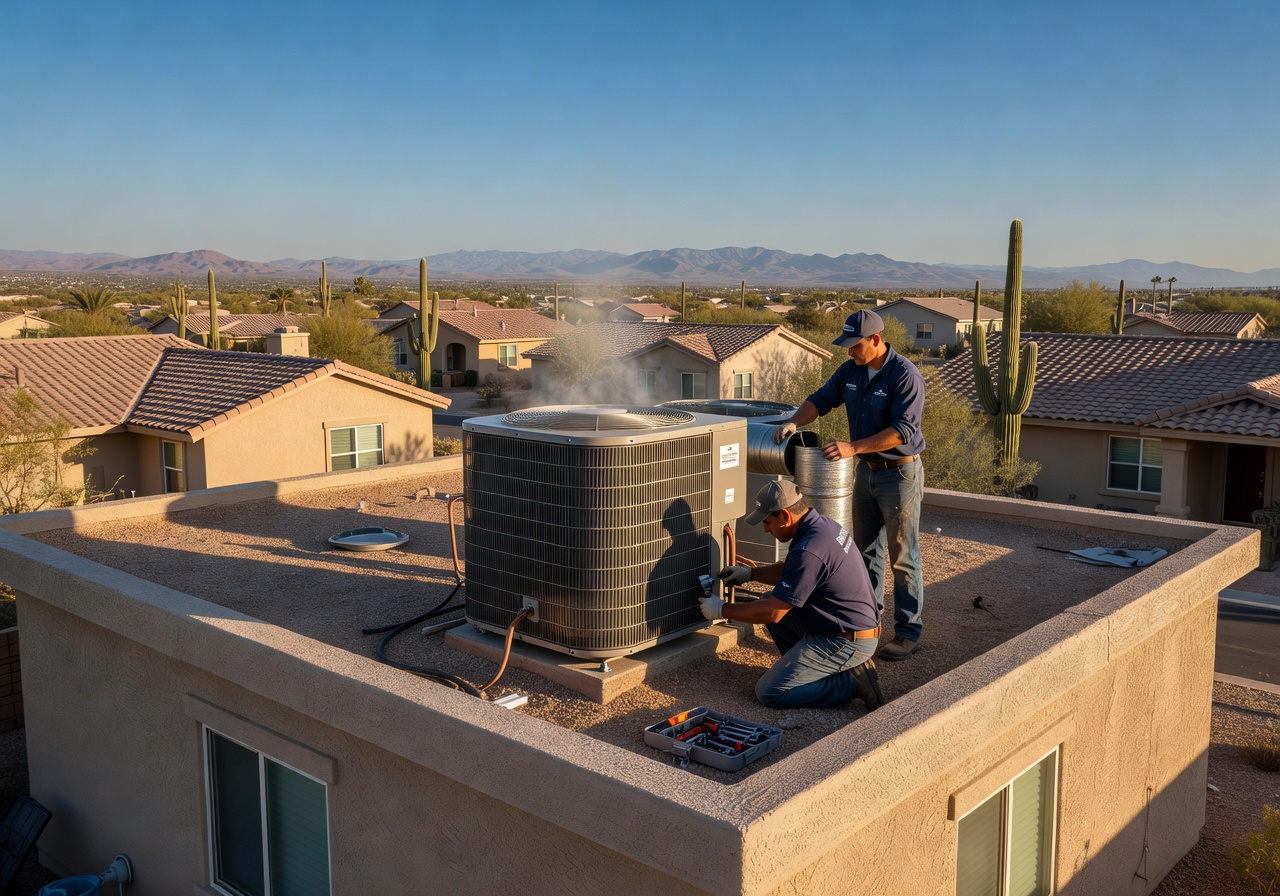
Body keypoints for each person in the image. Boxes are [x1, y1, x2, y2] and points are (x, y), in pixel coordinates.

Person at [774, 309, 926, 661]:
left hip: (899, 475)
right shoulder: (851, 371)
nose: (849, 352)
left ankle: (907, 632)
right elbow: (821, 399)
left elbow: (903, 430)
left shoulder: (905, 376)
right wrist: (794, 423)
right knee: (866, 551)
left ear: (875, 340)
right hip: (867, 474)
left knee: (903, 557)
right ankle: (866, 625)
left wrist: (852, 447)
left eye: (854, 346)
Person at [699, 480, 884, 710]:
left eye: (767, 522)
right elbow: (793, 570)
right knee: (768, 598)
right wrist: (750, 574)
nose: (766, 529)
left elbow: (774, 613)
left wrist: (721, 609)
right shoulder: (821, 526)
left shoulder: (811, 549)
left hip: (846, 640)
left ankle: (851, 682)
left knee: (770, 692)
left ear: (785, 516)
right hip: (847, 628)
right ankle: (810, 671)